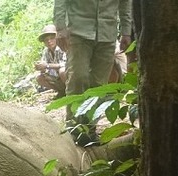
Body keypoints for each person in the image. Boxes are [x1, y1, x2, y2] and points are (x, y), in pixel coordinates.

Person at [54, 0, 132, 145]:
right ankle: (74, 127)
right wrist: (60, 28)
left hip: (107, 34)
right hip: (78, 32)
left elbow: (125, 3)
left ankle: (89, 130)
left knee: (99, 85)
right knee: (78, 78)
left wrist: (126, 31)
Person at [34, 24, 67, 98]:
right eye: (46, 40)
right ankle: (61, 91)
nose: (49, 41)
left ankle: (71, 91)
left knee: (62, 71)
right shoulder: (46, 51)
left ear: (57, 38)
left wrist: (47, 65)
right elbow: (44, 65)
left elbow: (66, 64)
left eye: (52, 38)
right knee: (39, 77)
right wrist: (40, 67)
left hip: (68, 76)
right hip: (57, 78)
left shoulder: (63, 47)